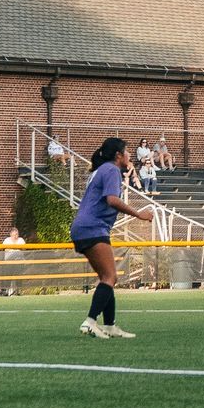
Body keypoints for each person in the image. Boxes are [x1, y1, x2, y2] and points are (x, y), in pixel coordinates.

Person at [73, 139, 140, 338]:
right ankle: (90, 321)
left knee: (107, 278)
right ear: (118, 155)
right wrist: (138, 214)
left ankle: (109, 325)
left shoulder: (99, 171)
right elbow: (112, 200)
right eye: (126, 151)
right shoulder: (111, 170)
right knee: (110, 277)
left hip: (84, 227)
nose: (129, 155)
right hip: (93, 228)